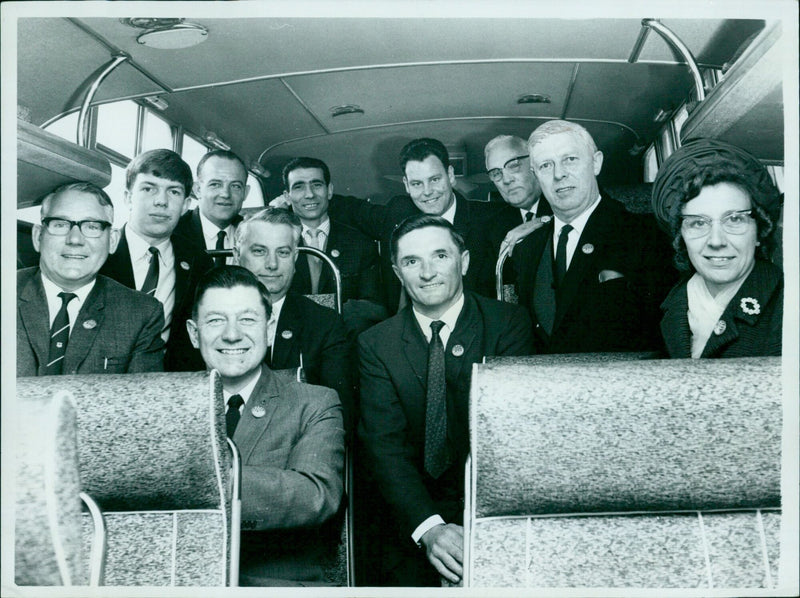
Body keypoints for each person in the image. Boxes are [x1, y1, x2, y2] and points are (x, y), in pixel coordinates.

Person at [357, 214, 533, 586]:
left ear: (464, 262)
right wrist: (431, 529)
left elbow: (510, 441)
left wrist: (473, 526)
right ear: (396, 272)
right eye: (411, 261)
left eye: (440, 256)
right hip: (411, 519)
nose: (427, 273)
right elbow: (384, 447)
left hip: (493, 511)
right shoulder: (375, 344)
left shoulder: (508, 324)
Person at [186, 266, 344, 585]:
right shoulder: (165, 406)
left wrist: (203, 481)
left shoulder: (314, 403)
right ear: (193, 332)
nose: (232, 334)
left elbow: (315, 495)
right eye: (216, 320)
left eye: (247, 319)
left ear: (269, 329)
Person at [514, 119, 674, 353]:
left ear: (596, 163)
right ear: (535, 175)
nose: (559, 174)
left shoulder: (645, 234)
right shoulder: (527, 246)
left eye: (570, 159)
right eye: (546, 165)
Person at [323, 138, 502, 309]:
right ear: (406, 185)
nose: (427, 192)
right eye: (417, 183)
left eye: (434, 180)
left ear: (450, 175)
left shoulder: (489, 220)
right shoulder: (397, 213)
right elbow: (350, 209)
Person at [651, 138, 783, 358]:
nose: (716, 240)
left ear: (759, 230)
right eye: (698, 223)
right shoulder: (671, 306)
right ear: (681, 237)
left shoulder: (789, 305)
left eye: (734, 220)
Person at [17, 182, 165, 375]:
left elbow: (143, 400)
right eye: (60, 224)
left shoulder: (141, 313)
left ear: (112, 241)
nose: (75, 239)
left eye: (92, 227)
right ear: (38, 236)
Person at [233, 207, 355, 435]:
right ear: (236, 253)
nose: (272, 264)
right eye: (259, 252)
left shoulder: (323, 323)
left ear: (296, 257)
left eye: (283, 253)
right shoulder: (210, 319)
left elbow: (337, 416)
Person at [100, 149, 213, 371]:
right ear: (127, 197)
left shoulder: (199, 262)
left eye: (173, 192)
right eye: (148, 188)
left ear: (186, 204)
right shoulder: (100, 251)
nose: (161, 201)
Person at [281, 156, 388, 333]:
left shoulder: (359, 243)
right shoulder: (275, 243)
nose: (309, 194)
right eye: (299, 187)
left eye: (317, 185)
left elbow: (375, 306)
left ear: (329, 190)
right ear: (287, 196)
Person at [484, 134, 553, 293]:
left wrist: (538, 223)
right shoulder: (494, 226)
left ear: (534, 163)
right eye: (496, 173)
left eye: (514, 165)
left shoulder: (566, 203)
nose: (506, 180)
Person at [174, 149, 250, 265]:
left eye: (235, 186)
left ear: (245, 193)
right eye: (215, 184)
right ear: (197, 189)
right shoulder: (174, 231)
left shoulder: (253, 234)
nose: (225, 194)